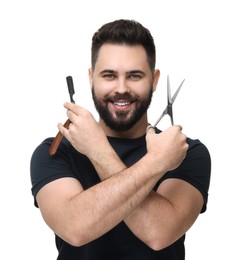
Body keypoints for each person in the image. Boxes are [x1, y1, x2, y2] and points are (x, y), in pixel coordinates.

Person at [30, 19, 211, 260]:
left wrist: (100, 151)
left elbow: (159, 233)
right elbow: (74, 229)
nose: (121, 88)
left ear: (154, 80)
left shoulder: (185, 151)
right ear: (91, 78)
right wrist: (155, 162)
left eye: (135, 76)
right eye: (109, 75)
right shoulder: (55, 151)